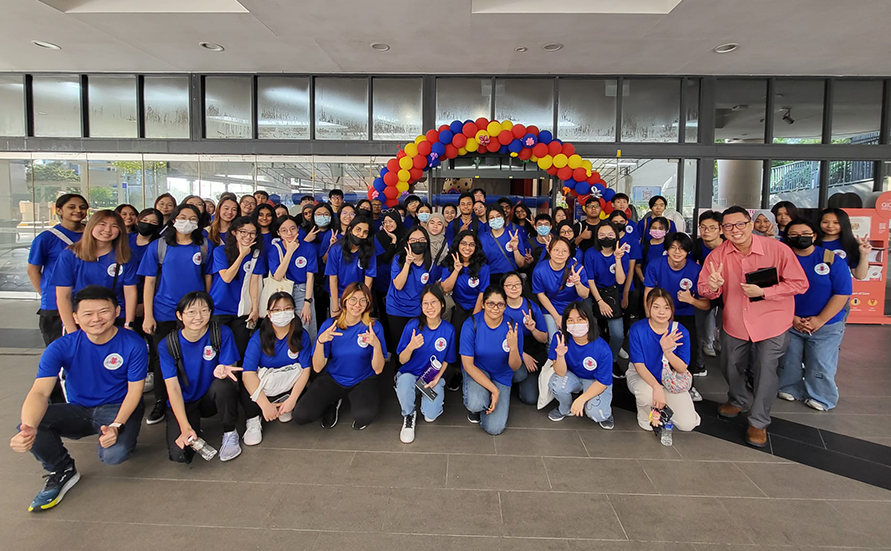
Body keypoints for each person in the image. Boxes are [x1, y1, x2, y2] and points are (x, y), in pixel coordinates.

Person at [10, 286, 147, 512]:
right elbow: (39, 392)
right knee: (33, 423)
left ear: (116, 311)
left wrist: (116, 425)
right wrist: (28, 428)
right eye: (88, 314)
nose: (96, 319)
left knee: (113, 456)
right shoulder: (61, 346)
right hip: (78, 409)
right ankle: (62, 470)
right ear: (75, 317)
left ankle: (124, 435)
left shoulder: (133, 343)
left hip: (116, 408)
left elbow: (135, 392)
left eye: (103, 311)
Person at [696, 206, 809, 447]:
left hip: (773, 321)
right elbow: (704, 289)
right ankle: (737, 399)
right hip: (735, 321)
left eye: (739, 224)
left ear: (750, 224)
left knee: (766, 370)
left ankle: (758, 421)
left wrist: (766, 292)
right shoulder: (717, 256)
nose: (734, 230)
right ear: (722, 230)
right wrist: (714, 286)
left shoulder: (777, 250)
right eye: (728, 226)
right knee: (730, 364)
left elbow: (800, 283)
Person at [138, 204, 211, 425]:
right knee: (163, 359)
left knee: (193, 355)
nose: (187, 221)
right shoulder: (159, 246)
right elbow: (149, 282)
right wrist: (148, 315)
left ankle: (193, 398)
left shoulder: (204, 246)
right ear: (173, 220)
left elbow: (208, 278)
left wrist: (207, 308)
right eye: (183, 217)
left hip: (195, 313)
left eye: (192, 218)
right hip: (164, 311)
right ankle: (161, 400)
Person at [159, 292, 243, 463]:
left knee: (225, 384)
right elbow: (173, 388)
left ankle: (229, 431)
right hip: (185, 401)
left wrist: (224, 369)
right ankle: (191, 424)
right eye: (191, 312)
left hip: (210, 398)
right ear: (179, 315)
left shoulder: (221, 333)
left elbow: (230, 368)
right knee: (180, 455)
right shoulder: (168, 345)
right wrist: (185, 427)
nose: (198, 317)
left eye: (204, 310)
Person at [778, 219, 851, 411]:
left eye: (805, 233)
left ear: (814, 236)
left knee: (821, 361)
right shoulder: (781, 259)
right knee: (789, 358)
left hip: (826, 323)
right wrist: (792, 317)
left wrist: (819, 319)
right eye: (793, 235)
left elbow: (842, 292)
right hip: (789, 320)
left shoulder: (830, 258)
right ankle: (789, 388)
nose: (799, 237)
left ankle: (822, 396)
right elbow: (774, 290)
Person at [294, 283, 386, 430]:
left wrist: (376, 345)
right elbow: (317, 367)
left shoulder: (374, 327)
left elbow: (379, 369)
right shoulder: (330, 325)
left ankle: (348, 398)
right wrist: (320, 341)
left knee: (364, 416)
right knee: (301, 415)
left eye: (363, 300)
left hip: (362, 379)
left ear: (368, 303)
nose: (358, 304)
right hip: (333, 378)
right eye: (353, 300)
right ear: (344, 301)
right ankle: (333, 401)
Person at [643, 232, 710, 400]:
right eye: (673, 248)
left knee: (690, 350)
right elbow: (647, 294)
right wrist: (649, 318)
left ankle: (689, 385)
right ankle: (655, 381)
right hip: (659, 314)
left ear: (688, 251)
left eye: (681, 249)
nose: (677, 252)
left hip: (685, 314)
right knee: (655, 348)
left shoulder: (696, 270)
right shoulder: (655, 265)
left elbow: (706, 304)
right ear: (667, 250)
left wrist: (691, 300)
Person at [626, 287, 701, 433]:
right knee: (646, 394)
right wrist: (656, 387)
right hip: (642, 376)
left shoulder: (680, 331)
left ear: (672, 310)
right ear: (648, 308)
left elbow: (682, 368)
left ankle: (665, 406)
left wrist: (667, 351)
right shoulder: (638, 329)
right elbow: (639, 365)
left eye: (666, 308)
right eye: (656, 307)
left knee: (687, 425)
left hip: (670, 378)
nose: (661, 312)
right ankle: (645, 414)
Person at [241, 292, 312, 444]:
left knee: (300, 369)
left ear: (293, 311)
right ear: (268, 314)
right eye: (277, 310)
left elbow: (306, 369)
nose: (282, 313)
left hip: (288, 385)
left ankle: (285, 405)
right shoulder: (258, 338)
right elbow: (247, 374)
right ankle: (254, 419)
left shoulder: (301, 335)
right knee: (246, 384)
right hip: (264, 388)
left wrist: (292, 400)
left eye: (287, 308)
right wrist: (265, 405)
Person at [53, 210, 138, 333]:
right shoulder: (70, 255)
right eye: (102, 224)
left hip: (116, 316)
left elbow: (130, 292)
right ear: (91, 226)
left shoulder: (125, 256)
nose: (107, 230)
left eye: (114, 226)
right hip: (83, 318)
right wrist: (71, 330)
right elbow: (63, 296)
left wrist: (129, 323)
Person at [395, 286, 456, 443]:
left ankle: (418, 394)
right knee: (405, 382)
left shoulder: (448, 330)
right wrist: (411, 347)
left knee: (431, 416)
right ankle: (409, 414)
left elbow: (447, 359)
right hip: (410, 374)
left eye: (433, 302)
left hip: (429, 378)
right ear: (421, 306)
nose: (430, 307)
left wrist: (437, 379)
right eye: (425, 303)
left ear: (442, 304)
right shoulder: (412, 326)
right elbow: (402, 360)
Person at [460, 285, 522, 435]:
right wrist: (494, 391)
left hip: (502, 374)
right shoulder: (471, 324)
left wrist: (513, 348)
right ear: (483, 304)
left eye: (500, 304)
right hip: (478, 369)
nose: (495, 308)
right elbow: (467, 364)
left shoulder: (512, 327)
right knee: (475, 403)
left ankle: (487, 398)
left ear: (505, 306)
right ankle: (479, 402)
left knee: (494, 428)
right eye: (490, 303)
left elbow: (515, 366)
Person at [28, 193, 88, 347]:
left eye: (82, 207)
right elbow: (33, 270)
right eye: (71, 207)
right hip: (55, 306)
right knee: (61, 350)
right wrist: (46, 293)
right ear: (59, 210)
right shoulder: (46, 238)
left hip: (87, 302)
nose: (78, 211)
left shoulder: (93, 234)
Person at [547, 302, 615, 428]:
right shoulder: (560, 339)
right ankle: (564, 408)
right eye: (570, 320)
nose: (575, 324)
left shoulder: (602, 348)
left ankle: (605, 412)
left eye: (580, 319)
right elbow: (560, 372)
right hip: (573, 376)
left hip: (595, 381)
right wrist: (560, 356)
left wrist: (581, 399)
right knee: (555, 384)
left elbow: (603, 381)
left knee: (596, 414)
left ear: (589, 321)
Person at [207, 216, 265, 356]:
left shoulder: (257, 255)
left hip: (241, 310)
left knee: (240, 350)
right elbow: (227, 277)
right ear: (234, 232)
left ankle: (238, 377)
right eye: (243, 232)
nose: (247, 236)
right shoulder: (220, 251)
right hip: (219, 308)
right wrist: (242, 255)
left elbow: (254, 282)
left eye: (252, 233)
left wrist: (255, 308)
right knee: (217, 350)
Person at [387, 226, 440, 360]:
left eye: (422, 239)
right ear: (407, 243)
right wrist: (407, 263)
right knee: (399, 344)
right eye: (414, 240)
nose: (418, 242)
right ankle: (398, 373)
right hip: (396, 308)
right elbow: (398, 285)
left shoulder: (431, 264)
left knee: (416, 344)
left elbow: (432, 286)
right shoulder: (398, 259)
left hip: (418, 309)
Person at [584, 221, 628, 371]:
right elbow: (590, 280)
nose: (606, 237)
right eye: (602, 234)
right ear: (597, 236)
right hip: (594, 292)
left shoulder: (622, 253)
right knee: (591, 329)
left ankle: (612, 359)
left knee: (618, 334)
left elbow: (621, 280)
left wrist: (617, 259)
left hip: (613, 291)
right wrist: (600, 301)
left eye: (610, 234)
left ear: (616, 235)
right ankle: (594, 358)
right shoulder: (590, 253)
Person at [267, 215, 319, 340]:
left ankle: (307, 357)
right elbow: (278, 276)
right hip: (282, 291)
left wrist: (307, 302)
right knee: (283, 325)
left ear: (298, 230)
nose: (289, 233)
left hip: (303, 291)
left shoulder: (308, 247)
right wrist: (289, 251)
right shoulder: (274, 249)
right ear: (278, 233)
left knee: (306, 324)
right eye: (284, 230)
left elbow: (310, 277)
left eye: (293, 229)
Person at [501, 272, 548, 405]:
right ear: (503, 288)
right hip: (508, 349)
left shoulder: (531, 307)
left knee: (531, 398)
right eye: (509, 285)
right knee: (519, 374)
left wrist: (533, 329)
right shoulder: (499, 308)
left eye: (517, 285)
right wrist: (522, 355)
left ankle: (522, 382)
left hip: (531, 348)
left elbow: (544, 339)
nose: (514, 288)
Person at [534, 236, 589, 341]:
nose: (560, 254)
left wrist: (577, 283)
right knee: (553, 341)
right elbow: (540, 294)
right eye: (556, 250)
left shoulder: (577, 268)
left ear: (569, 253)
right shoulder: (539, 270)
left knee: (576, 339)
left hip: (574, 307)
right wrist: (556, 317)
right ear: (549, 251)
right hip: (551, 307)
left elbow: (585, 295)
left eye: (564, 251)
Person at [326, 216, 376, 316]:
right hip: (339, 295)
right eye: (358, 229)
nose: (361, 234)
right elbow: (333, 279)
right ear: (350, 229)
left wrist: (364, 301)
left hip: (359, 296)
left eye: (365, 232)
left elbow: (368, 281)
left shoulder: (370, 251)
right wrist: (335, 307)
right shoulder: (336, 249)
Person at [693, 210, 725, 360]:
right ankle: (707, 343)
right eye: (703, 227)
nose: (706, 231)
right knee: (702, 317)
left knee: (725, 319)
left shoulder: (729, 247)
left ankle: (722, 343)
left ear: (721, 229)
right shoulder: (696, 246)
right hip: (704, 289)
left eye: (712, 228)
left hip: (726, 290)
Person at [816, 207, 871, 281]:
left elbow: (860, 275)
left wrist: (864, 254)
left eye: (836, 222)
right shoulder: (812, 243)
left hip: (840, 288)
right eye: (825, 222)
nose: (830, 226)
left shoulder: (850, 244)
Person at [481, 206, 527, 279]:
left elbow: (521, 264)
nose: (495, 219)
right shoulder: (482, 239)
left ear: (503, 217)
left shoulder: (514, 235)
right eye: (492, 218)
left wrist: (515, 248)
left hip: (511, 277)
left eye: (498, 216)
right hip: (491, 278)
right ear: (488, 221)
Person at [637, 217, 670, 283]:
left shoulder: (670, 246)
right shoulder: (644, 246)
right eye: (654, 228)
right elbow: (637, 266)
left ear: (666, 230)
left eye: (661, 228)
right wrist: (643, 279)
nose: (657, 230)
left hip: (666, 282)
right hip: (648, 282)